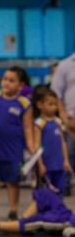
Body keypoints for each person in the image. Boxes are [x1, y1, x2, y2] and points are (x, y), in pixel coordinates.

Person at [0, 66, 35, 221]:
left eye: (11, 80)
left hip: (13, 148)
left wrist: (31, 146)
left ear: (20, 85)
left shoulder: (24, 103)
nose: (6, 83)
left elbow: (27, 126)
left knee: (12, 181)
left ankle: (13, 209)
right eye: (5, 79)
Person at [0, 187, 75, 237]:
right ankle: (18, 222)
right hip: (70, 214)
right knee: (46, 194)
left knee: (43, 219)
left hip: (68, 221)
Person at [32, 87, 72, 195]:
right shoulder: (39, 123)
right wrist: (40, 164)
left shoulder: (58, 122)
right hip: (46, 164)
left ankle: (57, 210)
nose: (54, 107)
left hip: (58, 164)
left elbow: (63, 142)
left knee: (60, 190)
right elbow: (37, 145)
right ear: (40, 105)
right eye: (50, 104)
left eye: (55, 104)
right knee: (45, 191)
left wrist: (66, 161)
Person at [51, 52, 75, 196]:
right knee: (70, 154)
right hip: (71, 120)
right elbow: (56, 93)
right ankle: (64, 187)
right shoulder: (65, 65)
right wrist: (65, 117)